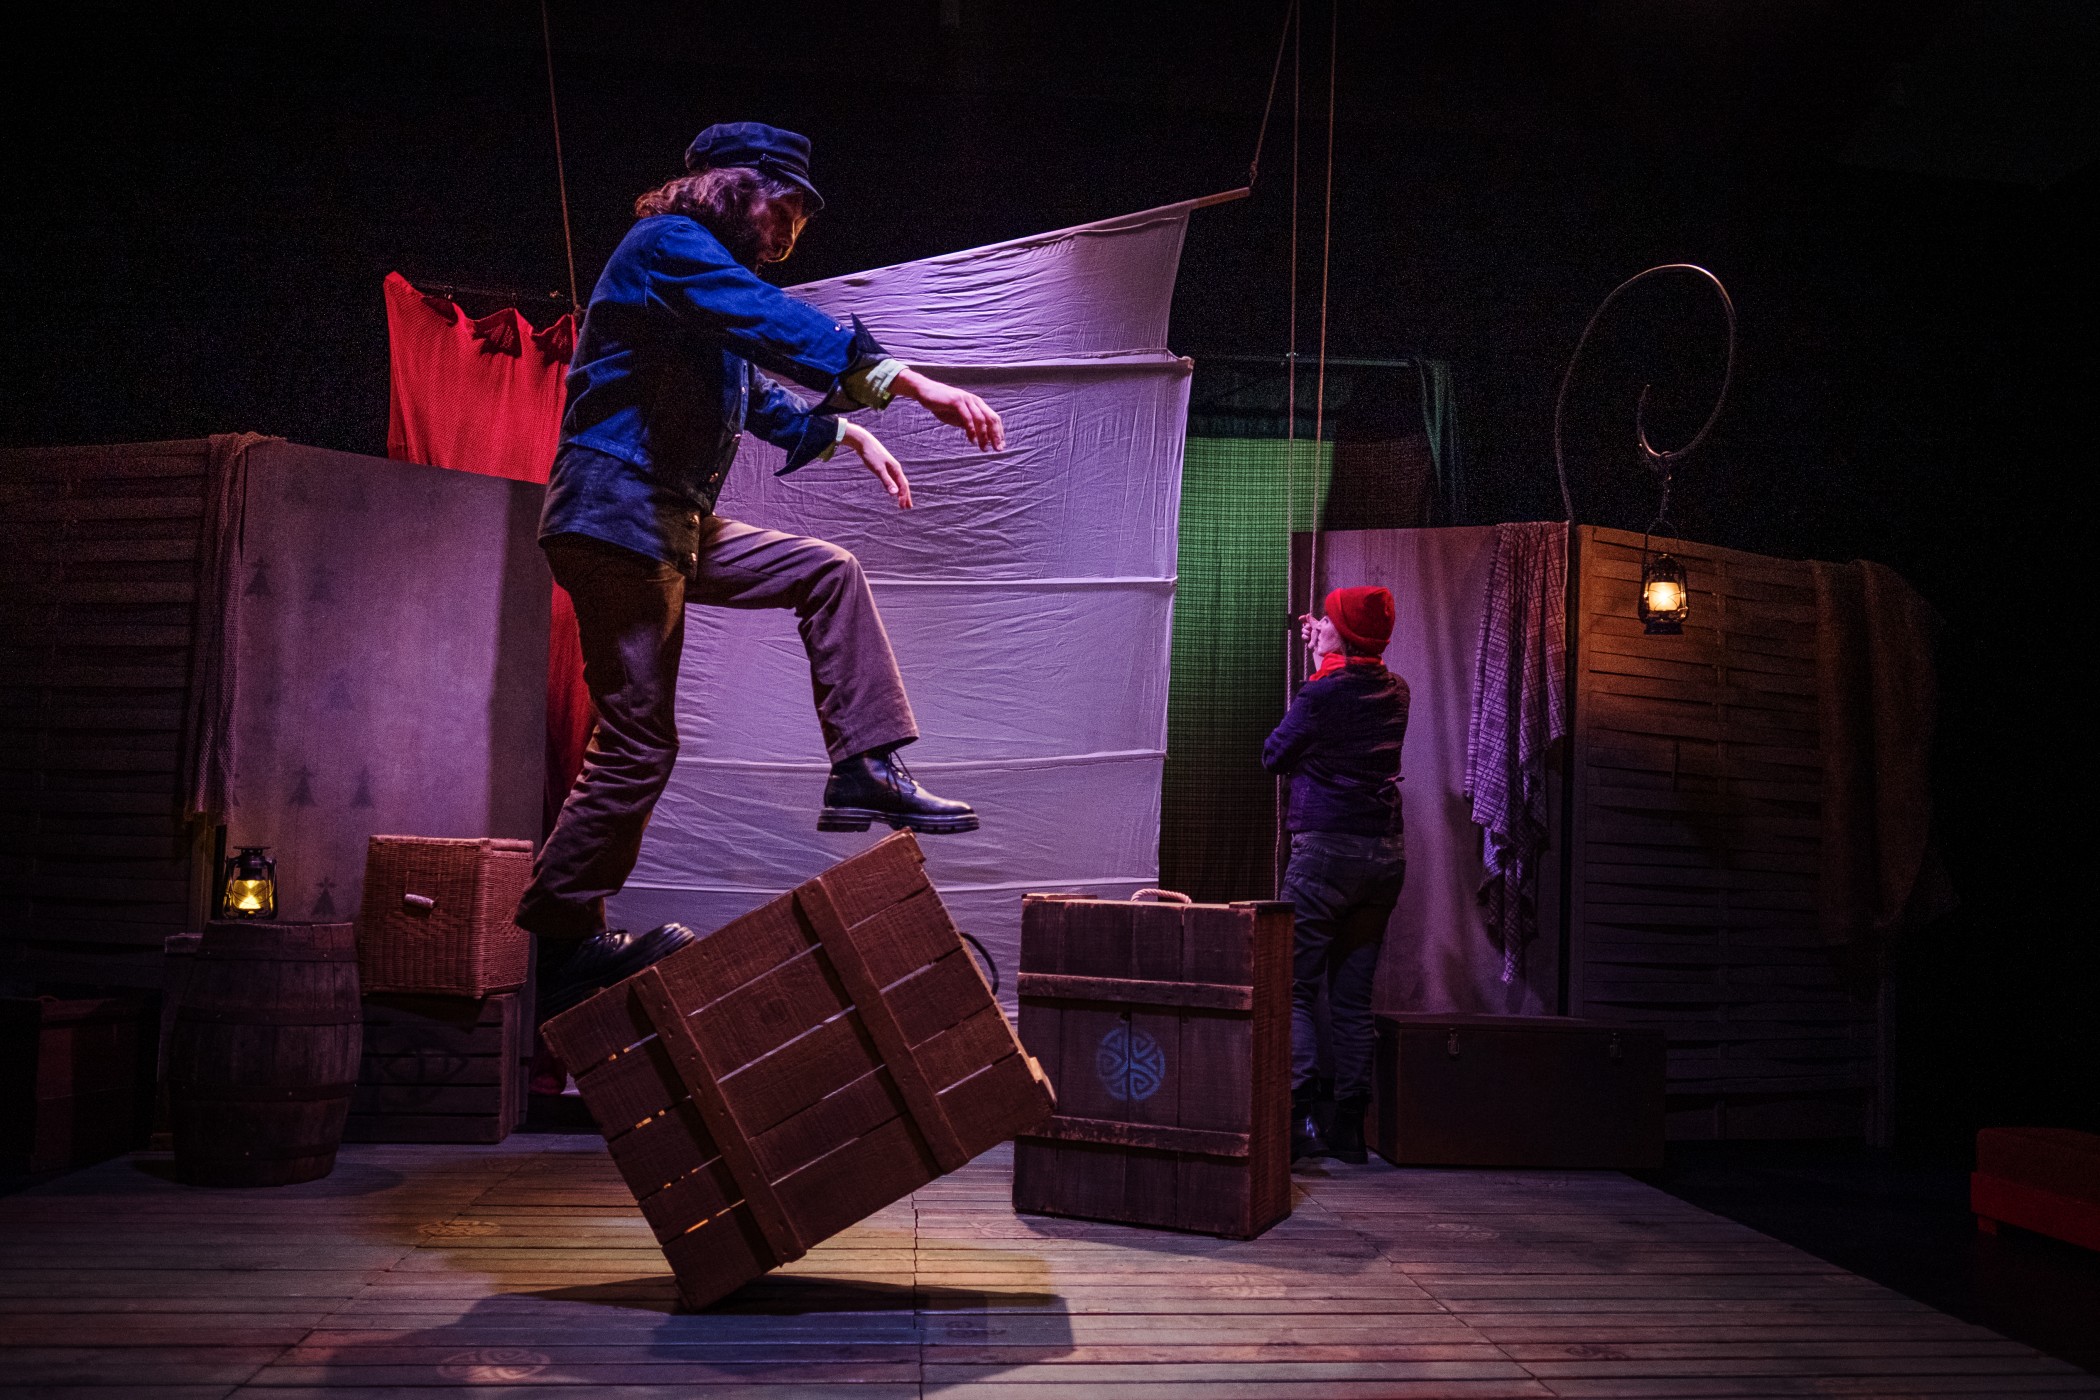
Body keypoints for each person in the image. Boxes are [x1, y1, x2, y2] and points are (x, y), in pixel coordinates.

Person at [519, 121, 1007, 1022]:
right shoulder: (667, 245)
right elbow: (766, 319)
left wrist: (844, 431)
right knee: (637, 742)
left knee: (827, 571)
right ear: (731, 185)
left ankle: (865, 766)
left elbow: (748, 390)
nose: (788, 235)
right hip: (618, 517)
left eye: (799, 223)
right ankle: (561, 940)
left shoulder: (698, 285)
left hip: (670, 520)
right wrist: (912, 383)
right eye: (782, 210)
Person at [1261, 585, 1410, 1163]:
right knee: (1351, 997)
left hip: (1325, 852)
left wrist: (1323, 668)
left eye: (1326, 619)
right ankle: (1349, 1128)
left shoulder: (1321, 694)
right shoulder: (1397, 690)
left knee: (1294, 987)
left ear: (1343, 636)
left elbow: (1275, 755)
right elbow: (1348, 693)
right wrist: (1328, 653)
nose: (1317, 624)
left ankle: (1298, 1120)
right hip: (1383, 856)